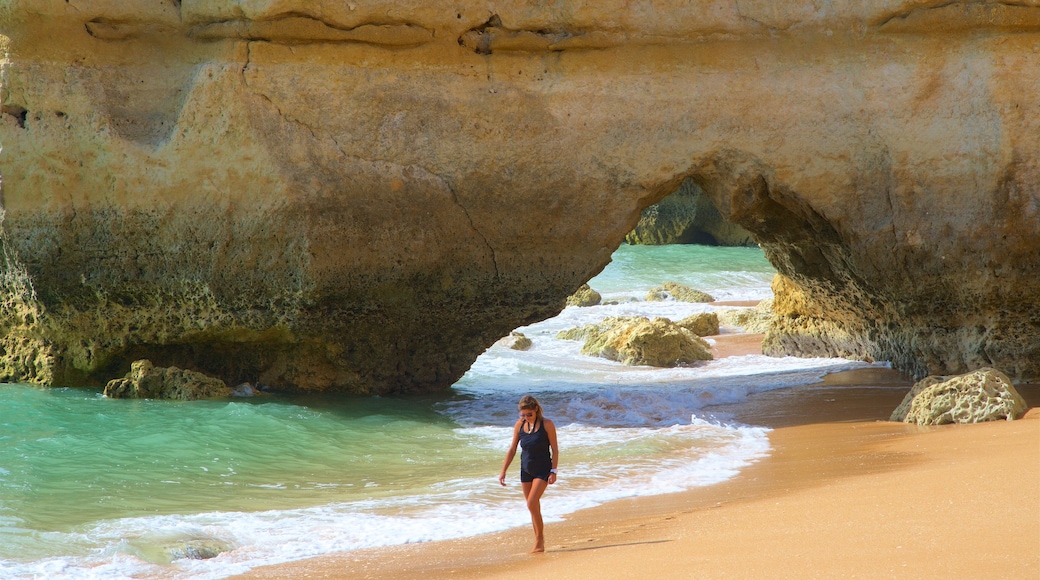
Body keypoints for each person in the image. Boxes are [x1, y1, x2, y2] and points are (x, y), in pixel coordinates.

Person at [498, 394, 559, 553]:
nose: (526, 417)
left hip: (542, 469)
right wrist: (503, 470)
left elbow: (555, 449)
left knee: (531, 503)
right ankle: (538, 539)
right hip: (526, 469)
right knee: (533, 508)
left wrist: (554, 470)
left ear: (536, 410)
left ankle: (540, 540)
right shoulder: (519, 425)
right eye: (523, 415)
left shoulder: (547, 424)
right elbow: (512, 449)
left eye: (529, 414)